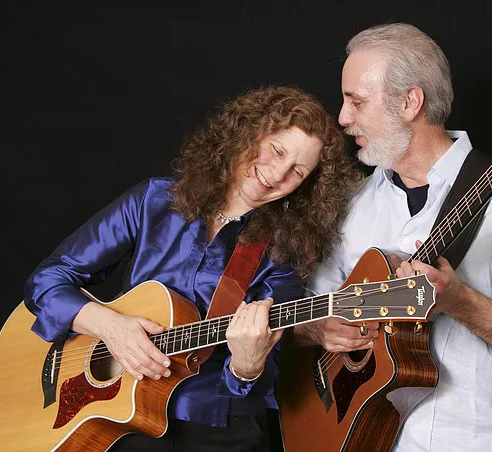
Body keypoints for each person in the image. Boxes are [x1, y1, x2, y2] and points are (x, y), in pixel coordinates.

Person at [24, 86, 362, 451]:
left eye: (297, 171)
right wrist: (110, 326)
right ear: (248, 132)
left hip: (213, 424)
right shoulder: (154, 200)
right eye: (277, 150)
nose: (278, 174)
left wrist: (247, 366)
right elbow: (46, 281)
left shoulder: (284, 250)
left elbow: (259, 382)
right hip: (119, 412)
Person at [294, 23, 492, 451]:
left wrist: (458, 302)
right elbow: (302, 318)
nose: (342, 118)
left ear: (410, 102)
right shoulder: (352, 202)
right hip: (362, 438)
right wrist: (321, 329)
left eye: (357, 101)